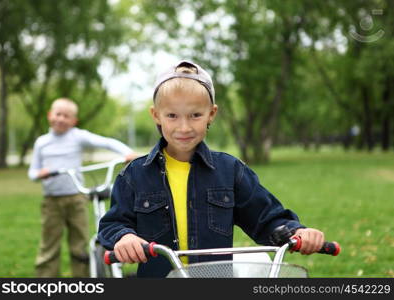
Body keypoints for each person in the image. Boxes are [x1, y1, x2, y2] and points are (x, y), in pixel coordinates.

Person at [98, 60, 325, 278]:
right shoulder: (134, 175)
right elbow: (113, 223)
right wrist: (124, 237)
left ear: (211, 114)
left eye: (195, 115)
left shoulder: (230, 171)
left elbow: (267, 218)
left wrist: (296, 232)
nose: (184, 127)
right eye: (172, 116)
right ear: (156, 115)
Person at [28, 97, 137, 277]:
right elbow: (32, 173)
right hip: (52, 201)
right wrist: (41, 173)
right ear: (50, 115)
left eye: (67, 116)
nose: (61, 119)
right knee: (49, 245)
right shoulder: (42, 142)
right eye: (58, 114)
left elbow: (106, 142)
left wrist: (127, 153)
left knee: (79, 245)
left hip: (76, 198)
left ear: (74, 121)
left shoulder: (77, 136)